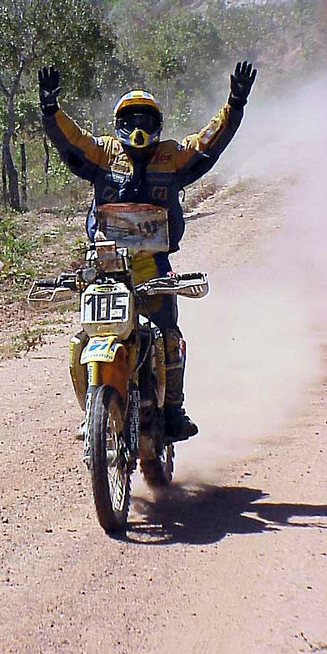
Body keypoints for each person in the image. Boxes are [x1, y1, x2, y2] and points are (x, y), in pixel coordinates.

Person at [38, 61, 257, 440]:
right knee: (87, 338)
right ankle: (94, 409)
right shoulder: (103, 154)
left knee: (168, 335)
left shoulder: (172, 156)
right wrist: (50, 109)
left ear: (156, 123)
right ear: (120, 122)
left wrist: (234, 104)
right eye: (131, 119)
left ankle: (173, 409)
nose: (139, 128)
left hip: (152, 264)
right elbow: (70, 139)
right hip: (106, 265)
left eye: (146, 119)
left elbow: (209, 141)